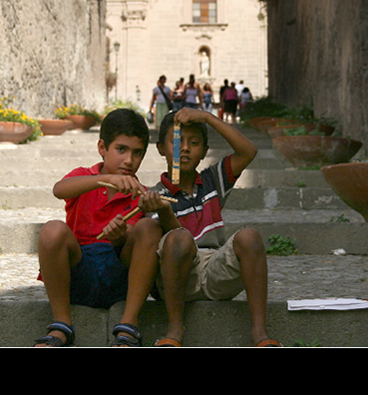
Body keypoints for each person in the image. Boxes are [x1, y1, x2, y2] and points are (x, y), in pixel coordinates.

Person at [34, 109, 176, 347]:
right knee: (51, 230)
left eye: (137, 153)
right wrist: (106, 179)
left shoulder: (139, 192)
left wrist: (119, 238)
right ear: (102, 148)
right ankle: (62, 324)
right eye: (121, 150)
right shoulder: (84, 177)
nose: (129, 160)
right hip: (78, 272)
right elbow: (59, 189)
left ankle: (128, 326)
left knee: (150, 227)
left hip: (119, 275)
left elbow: (134, 241)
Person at [149, 108, 282, 347]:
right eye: (177, 142)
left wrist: (207, 117)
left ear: (204, 152)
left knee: (249, 237)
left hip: (216, 271)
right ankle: (174, 329)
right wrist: (162, 210)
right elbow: (172, 241)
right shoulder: (155, 195)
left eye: (195, 142)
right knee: (179, 239)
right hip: (178, 276)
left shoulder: (212, 181)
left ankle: (260, 333)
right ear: (161, 149)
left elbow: (248, 151)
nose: (185, 148)